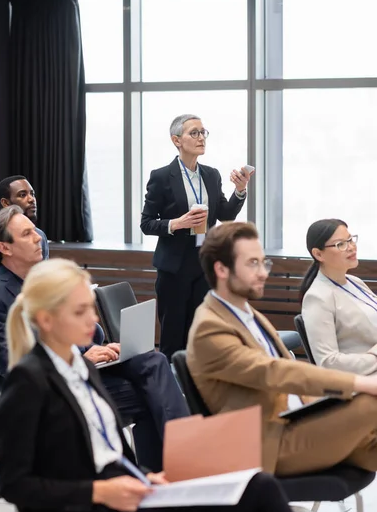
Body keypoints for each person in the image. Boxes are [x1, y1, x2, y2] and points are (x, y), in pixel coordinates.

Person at [0, 257, 318, 512]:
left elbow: (109, 450)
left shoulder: (80, 365)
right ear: (45, 320)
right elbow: (17, 485)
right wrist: (99, 492)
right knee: (260, 487)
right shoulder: (28, 381)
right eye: (80, 311)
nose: (93, 319)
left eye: (91, 307)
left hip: (125, 496)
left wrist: (147, 476)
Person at [0, 206, 189, 471]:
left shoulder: (44, 280)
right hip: (50, 389)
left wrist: (99, 348)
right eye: (27, 233)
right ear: (4, 248)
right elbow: (9, 366)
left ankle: (171, 464)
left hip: (86, 370)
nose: (38, 237)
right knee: (151, 393)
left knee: (151, 359)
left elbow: (71, 336)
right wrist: (78, 357)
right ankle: (175, 464)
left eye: (35, 231)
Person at [187, 221, 377, 476]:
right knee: (369, 403)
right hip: (268, 444)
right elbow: (276, 372)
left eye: (264, 263)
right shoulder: (209, 327)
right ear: (221, 269)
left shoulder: (245, 312)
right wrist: (359, 383)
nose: (263, 273)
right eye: (252, 264)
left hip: (299, 419)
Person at [141, 113, 253, 360]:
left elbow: (225, 214)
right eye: (194, 133)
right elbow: (146, 223)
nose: (201, 137)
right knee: (173, 335)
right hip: (174, 266)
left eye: (203, 132)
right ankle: (171, 389)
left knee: (200, 331)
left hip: (203, 261)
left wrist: (240, 190)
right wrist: (176, 223)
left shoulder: (211, 175)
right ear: (176, 140)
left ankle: (197, 387)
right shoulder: (161, 177)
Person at [300, 218, 377, 374]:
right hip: (363, 380)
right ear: (318, 254)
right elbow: (328, 363)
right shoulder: (317, 298)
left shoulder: (355, 282)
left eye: (350, 240)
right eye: (340, 244)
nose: (351, 247)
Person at [0, 175, 49, 284]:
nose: (31, 199)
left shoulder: (40, 235)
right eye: (22, 195)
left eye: (32, 194)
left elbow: (43, 277)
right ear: (5, 203)